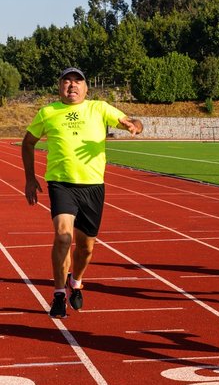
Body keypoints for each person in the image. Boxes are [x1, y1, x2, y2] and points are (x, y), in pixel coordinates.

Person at [21, 67, 143, 319]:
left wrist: (135, 125)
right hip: (61, 184)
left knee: (86, 248)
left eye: (78, 82)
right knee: (63, 236)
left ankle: (75, 282)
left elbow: (130, 120)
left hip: (93, 186)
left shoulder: (99, 108)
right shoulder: (48, 112)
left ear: (86, 88)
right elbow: (28, 142)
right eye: (67, 81)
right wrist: (30, 178)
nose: (72, 86)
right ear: (59, 86)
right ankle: (57, 294)